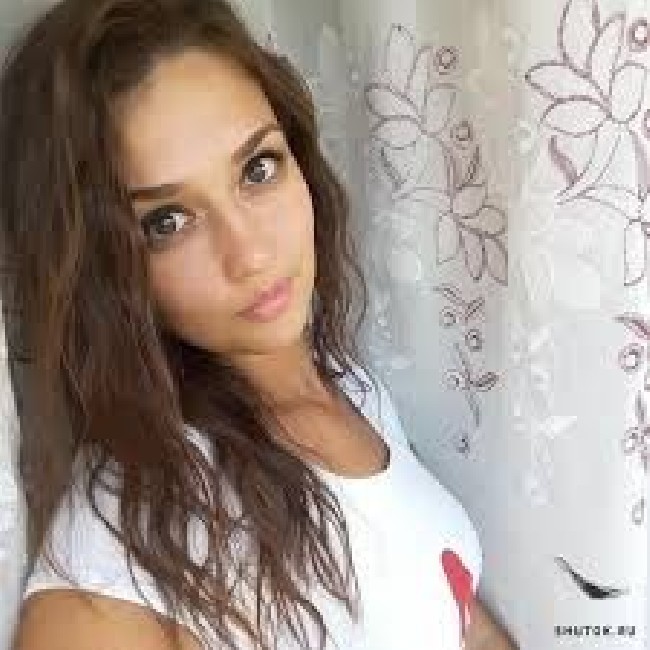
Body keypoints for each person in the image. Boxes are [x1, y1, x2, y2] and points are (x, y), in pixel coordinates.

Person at [1, 0, 518, 648]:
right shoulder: (113, 559)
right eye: (166, 222)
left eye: (257, 168)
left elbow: (451, 612)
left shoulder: (350, 389)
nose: (250, 254)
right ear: (100, 271)